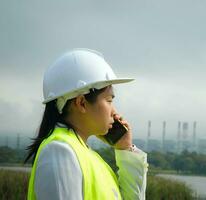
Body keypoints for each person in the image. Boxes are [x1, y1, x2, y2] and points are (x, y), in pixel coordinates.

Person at [25, 48, 148, 200]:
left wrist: (125, 149)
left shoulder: (87, 156)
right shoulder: (59, 151)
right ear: (81, 103)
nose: (114, 112)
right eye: (109, 100)